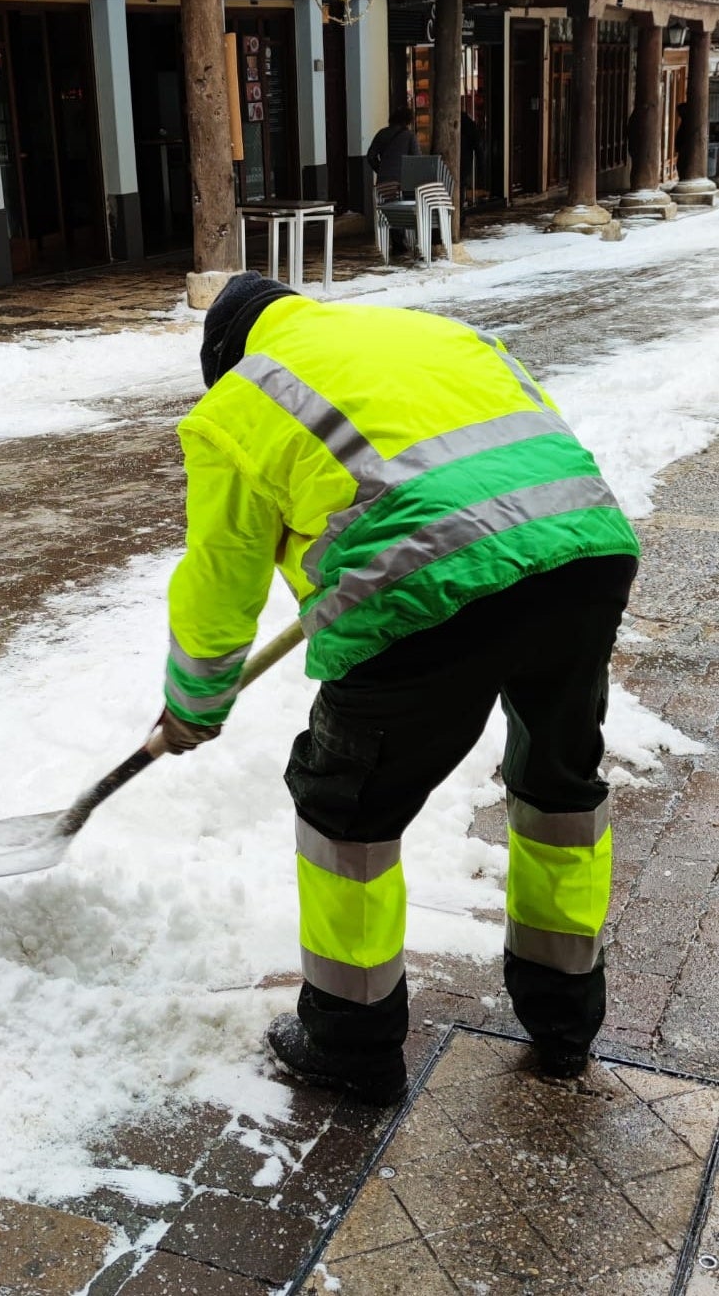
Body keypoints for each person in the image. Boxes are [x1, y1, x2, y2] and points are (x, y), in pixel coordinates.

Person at [157, 272, 639, 1107]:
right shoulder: (430, 332)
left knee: (346, 810)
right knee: (558, 788)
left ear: (226, 356)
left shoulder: (238, 404)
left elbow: (219, 585)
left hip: (423, 592)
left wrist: (193, 705)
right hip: (581, 552)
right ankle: (565, 1022)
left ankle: (351, 1043)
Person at [366, 106, 420, 255]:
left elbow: (370, 156)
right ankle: (405, 241)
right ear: (407, 121)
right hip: (401, 181)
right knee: (407, 206)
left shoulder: (381, 134)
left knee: (389, 208)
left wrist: (381, 170)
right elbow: (416, 160)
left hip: (383, 182)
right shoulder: (409, 136)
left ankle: (396, 242)